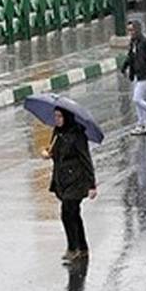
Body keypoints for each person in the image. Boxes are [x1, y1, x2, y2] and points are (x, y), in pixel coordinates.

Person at [42, 107, 97, 264]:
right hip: (63, 179)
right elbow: (55, 153)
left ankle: (73, 249)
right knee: (74, 214)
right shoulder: (58, 133)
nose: (57, 119)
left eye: (60, 116)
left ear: (67, 117)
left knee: (67, 213)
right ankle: (83, 247)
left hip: (76, 180)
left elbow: (86, 159)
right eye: (55, 116)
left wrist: (92, 185)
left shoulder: (77, 135)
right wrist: (48, 154)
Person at [121, 20, 146, 136]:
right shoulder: (134, 43)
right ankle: (141, 124)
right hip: (137, 74)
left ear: (137, 29)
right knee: (140, 101)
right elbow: (130, 57)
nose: (130, 33)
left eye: (132, 30)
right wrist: (124, 67)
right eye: (129, 30)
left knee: (137, 99)